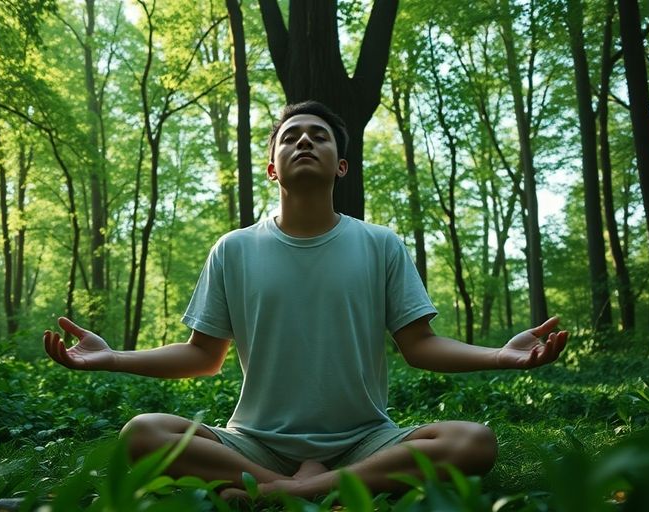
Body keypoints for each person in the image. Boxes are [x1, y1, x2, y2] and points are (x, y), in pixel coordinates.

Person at [42, 100, 568, 499]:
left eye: (319, 137)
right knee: (143, 433)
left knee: (474, 441)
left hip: (366, 439)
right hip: (256, 440)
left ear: (341, 165)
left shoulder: (380, 244)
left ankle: (285, 492)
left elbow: (420, 346)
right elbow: (203, 358)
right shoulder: (233, 249)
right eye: (290, 137)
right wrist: (112, 359)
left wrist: (502, 355)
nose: (304, 143)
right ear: (273, 167)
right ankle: (315, 486)